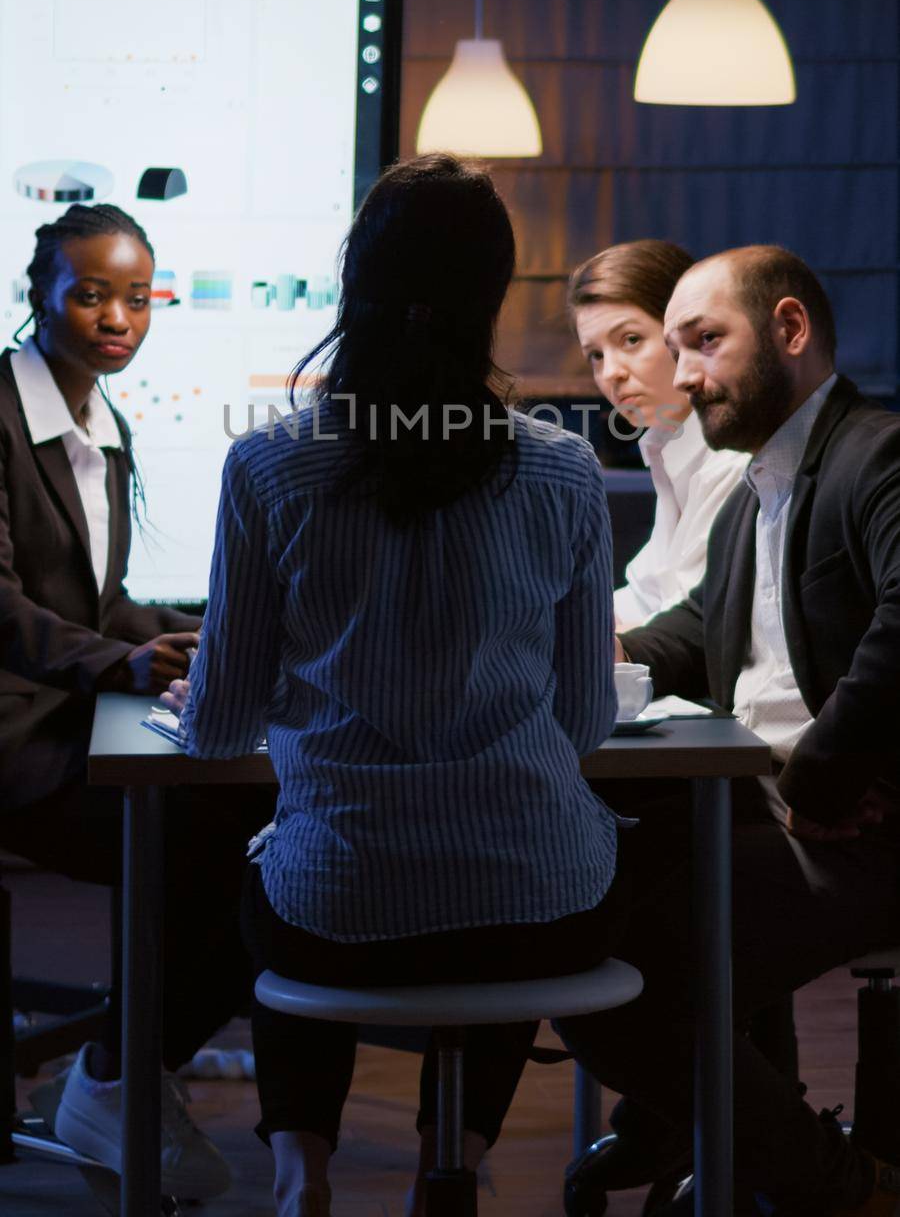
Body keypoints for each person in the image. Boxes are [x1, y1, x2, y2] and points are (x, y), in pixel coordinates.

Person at [169, 154, 627, 1217]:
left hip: (336, 909)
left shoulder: (270, 467)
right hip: (544, 913)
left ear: (351, 282)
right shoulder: (563, 469)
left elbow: (217, 729)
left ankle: (302, 1176)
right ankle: (451, 1164)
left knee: (288, 858)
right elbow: (586, 721)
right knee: (522, 867)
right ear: (492, 300)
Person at [559, 245, 900, 1217]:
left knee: (612, 981)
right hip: (765, 809)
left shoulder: (878, 453)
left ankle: (835, 1186)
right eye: (676, 346)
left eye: (705, 342)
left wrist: (825, 778)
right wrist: (552, 649)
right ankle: (746, 1149)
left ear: (790, 331)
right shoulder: (759, 489)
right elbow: (693, 633)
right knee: (573, 902)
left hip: (851, 831)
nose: (686, 372)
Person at [0, 203, 268, 1201]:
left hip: (70, 719)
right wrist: (119, 664)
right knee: (231, 841)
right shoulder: (2, 408)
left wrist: (223, 618)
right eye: (91, 293)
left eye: (136, 296)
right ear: (40, 294)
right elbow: (3, 604)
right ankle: (117, 1072)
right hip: (17, 740)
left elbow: (97, 600)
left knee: (262, 827)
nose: (118, 316)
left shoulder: (96, 420)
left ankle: (120, 1067)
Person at [569, 239, 746, 627]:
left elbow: (687, 623)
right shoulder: (666, 445)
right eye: (596, 355)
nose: (611, 372)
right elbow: (646, 596)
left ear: (686, 333)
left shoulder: (735, 460)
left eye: (630, 340)